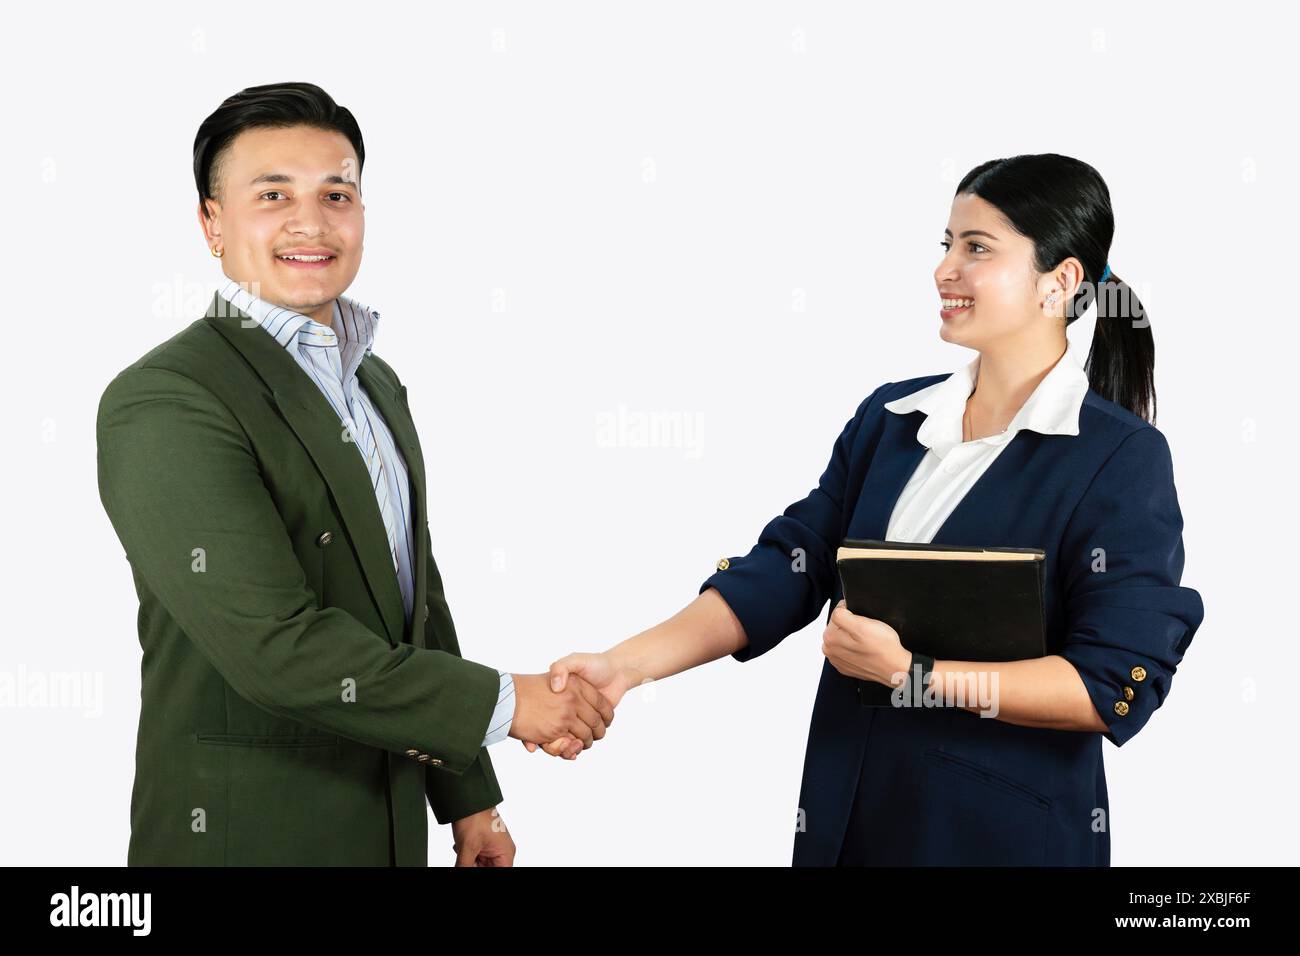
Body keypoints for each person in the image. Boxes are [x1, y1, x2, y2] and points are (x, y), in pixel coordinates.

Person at [532, 154, 1205, 866]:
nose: (946, 269)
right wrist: (624, 667)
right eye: (946, 244)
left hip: (998, 837)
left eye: (977, 248)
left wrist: (915, 676)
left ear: (1060, 280)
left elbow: (1110, 685)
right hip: (849, 820)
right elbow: (785, 569)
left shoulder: (1118, 457)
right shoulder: (890, 419)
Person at [95, 82, 614, 867]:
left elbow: (415, 604)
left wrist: (472, 801)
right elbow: (275, 647)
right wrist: (510, 703)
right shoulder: (169, 398)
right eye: (273, 195)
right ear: (211, 222)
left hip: (392, 826)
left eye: (337, 193)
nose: (311, 222)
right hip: (250, 837)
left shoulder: (375, 383)